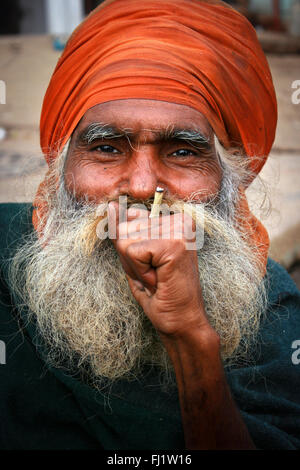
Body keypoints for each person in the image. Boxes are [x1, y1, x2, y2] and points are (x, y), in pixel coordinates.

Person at [0, 0, 300, 450]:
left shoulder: (271, 308)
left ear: (230, 180)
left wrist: (190, 337)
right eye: (106, 149)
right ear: (59, 166)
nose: (142, 188)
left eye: (182, 151)